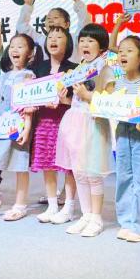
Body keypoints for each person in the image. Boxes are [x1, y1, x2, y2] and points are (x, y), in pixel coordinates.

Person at [55, 23, 115, 237]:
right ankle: (86, 215)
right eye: (82, 40)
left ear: (102, 47)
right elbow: (75, 100)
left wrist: (88, 95)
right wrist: (65, 98)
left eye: (91, 41)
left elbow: (110, 102)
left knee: (93, 173)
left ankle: (97, 218)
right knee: (79, 172)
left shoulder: (105, 69)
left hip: (93, 123)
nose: (85, 44)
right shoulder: (77, 70)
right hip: (74, 122)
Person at [0, 34, 41, 221]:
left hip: (18, 126)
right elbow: (0, 102)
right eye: (12, 46)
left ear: (30, 53)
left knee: (20, 166)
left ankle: (20, 205)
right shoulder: (4, 75)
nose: (15, 50)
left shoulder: (29, 76)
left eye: (20, 46)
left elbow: (28, 106)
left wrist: (27, 129)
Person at [32, 26, 78, 224]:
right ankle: (52, 206)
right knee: (47, 163)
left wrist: (64, 101)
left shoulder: (74, 68)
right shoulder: (38, 67)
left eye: (59, 37)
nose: (53, 39)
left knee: (69, 166)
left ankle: (68, 207)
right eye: (50, 36)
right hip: (45, 121)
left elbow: (80, 101)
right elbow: (30, 95)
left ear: (68, 43)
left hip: (67, 120)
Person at [112, 36, 140, 243]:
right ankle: (126, 221)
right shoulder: (118, 83)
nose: (123, 54)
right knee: (123, 177)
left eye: (129, 51)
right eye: (121, 51)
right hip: (122, 133)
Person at [18, 0, 90, 62]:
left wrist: (76, 0)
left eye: (55, 17)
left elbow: (85, 23)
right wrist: (27, 5)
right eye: (48, 18)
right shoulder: (41, 40)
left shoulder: (74, 39)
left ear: (66, 24)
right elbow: (22, 26)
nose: (50, 20)